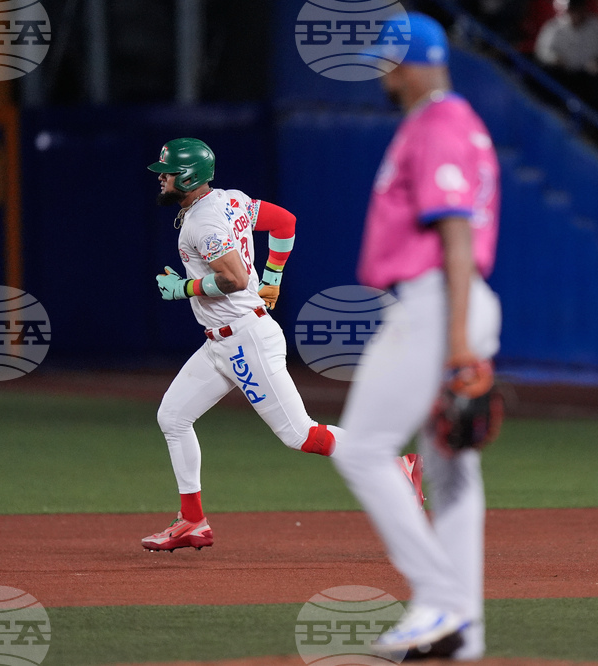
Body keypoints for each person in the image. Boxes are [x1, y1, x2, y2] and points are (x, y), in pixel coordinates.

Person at [140, 138, 423, 552]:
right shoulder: (231, 200)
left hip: (244, 339)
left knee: (299, 434)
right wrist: (273, 277)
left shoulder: (203, 222)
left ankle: (394, 465)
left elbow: (234, 278)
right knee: (173, 417)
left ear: (187, 177)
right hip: (222, 341)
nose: (160, 178)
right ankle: (192, 521)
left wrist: (184, 288)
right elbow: (284, 222)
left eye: (166, 173)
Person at [330, 13, 502, 660]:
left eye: (391, 63)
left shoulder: (437, 125)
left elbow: (455, 235)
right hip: (452, 301)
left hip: (437, 303)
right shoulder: (456, 122)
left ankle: (440, 600)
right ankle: (462, 630)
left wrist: (455, 340)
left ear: (415, 63)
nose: (386, 75)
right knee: (451, 472)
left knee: (361, 449)